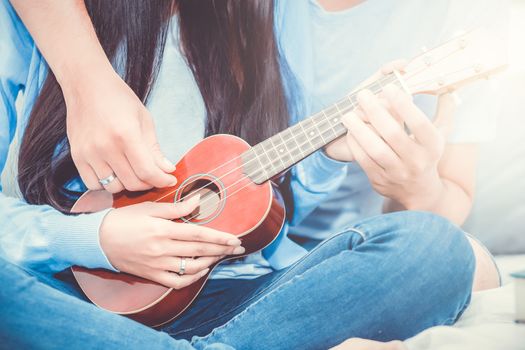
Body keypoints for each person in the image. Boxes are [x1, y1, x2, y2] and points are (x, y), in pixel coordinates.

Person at [0, 0, 504, 349]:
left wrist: (329, 153)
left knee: (436, 246)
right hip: (64, 291)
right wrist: (98, 239)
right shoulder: (42, 28)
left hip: (240, 300)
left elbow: (272, 211)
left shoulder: (256, 29)